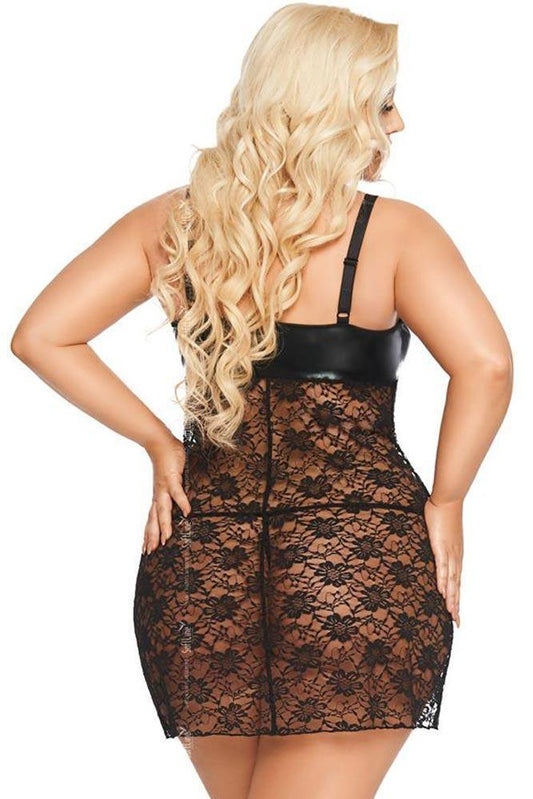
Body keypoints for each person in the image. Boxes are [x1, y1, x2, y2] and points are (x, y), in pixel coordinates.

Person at [10, 5, 513, 799]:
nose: (398, 123)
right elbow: (484, 364)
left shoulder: (176, 223)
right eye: (383, 102)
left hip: (202, 564)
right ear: (332, 107)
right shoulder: (395, 233)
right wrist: (447, 500)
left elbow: (42, 335)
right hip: (350, 558)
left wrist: (160, 443)